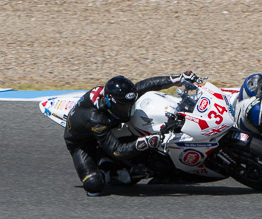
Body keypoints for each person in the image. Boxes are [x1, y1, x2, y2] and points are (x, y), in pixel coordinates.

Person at [64, 71, 200, 196]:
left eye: (130, 105)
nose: (128, 110)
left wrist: (177, 79)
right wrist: (146, 142)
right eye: (123, 107)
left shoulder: (115, 97)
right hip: (84, 143)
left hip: (110, 128)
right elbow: (118, 151)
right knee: (94, 186)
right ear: (110, 103)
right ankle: (104, 164)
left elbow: (144, 86)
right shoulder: (97, 120)